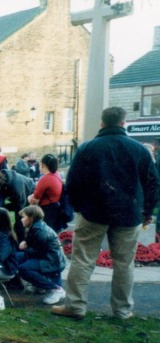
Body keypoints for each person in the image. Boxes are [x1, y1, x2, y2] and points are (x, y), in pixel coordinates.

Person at [52, 107, 160, 320]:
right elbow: (153, 183)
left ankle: (75, 306)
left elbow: (72, 183)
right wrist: (148, 211)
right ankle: (122, 310)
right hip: (129, 213)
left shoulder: (87, 148)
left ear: (102, 124)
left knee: (83, 260)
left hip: (93, 213)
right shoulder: (139, 149)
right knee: (124, 263)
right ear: (123, 123)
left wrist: (78, 207)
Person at [17, 206, 66, 304]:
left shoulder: (39, 230)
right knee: (14, 257)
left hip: (51, 260)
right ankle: (38, 285)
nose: (21, 219)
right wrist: (26, 242)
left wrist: (27, 247)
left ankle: (55, 289)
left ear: (31, 218)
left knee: (23, 269)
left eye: (23, 217)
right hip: (48, 257)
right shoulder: (37, 227)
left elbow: (39, 251)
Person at [0, 169, 35, 242]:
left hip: (29, 197)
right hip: (18, 196)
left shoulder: (16, 188)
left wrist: (6, 207)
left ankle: (21, 243)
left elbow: (20, 208)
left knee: (20, 222)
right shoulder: (0, 178)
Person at [28, 154, 63, 232]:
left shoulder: (45, 178)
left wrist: (29, 198)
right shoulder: (56, 174)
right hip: (55, 210)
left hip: (46, 211)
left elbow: (34, 201)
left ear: (43, 165)